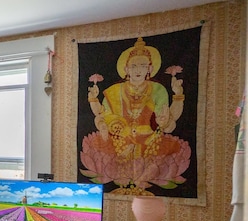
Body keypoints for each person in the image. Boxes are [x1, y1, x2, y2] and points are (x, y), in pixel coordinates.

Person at [81, 37, 189, 193]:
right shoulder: (114, 91)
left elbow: (168, 121)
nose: (138, 70)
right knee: (100, 148)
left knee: (170, 151)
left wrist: (178, 96)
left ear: (149, 69)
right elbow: (103, 116)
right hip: (119, 140)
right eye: (134, 66)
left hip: (150, 140)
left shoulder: (158, 90)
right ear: (126, 69)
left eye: (143, 66)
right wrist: (93, 100)